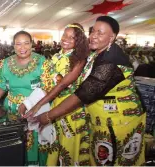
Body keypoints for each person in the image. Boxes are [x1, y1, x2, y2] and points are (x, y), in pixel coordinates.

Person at [34, 16, 146, 166]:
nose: (93, 36)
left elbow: (84, 93)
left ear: (112, 37)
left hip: (119, 122)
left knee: (113, 161)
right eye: (93, 31)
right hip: (99, 120)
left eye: (100, 33)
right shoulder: (97, 53)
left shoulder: (112, 61)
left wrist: (49, 116)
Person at [18, 23, 90, 166]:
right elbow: (47, 84)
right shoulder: (55, 57)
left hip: (70, 109)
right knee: (54, 146)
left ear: (79, 41)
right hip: (55, 106)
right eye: (65, 35)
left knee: (69, 150)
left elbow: (62, 85)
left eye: (72, 37)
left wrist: (37, 105)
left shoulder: (78, 60)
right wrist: (28, 103)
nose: (66, 39)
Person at [0, 30, 54, 165]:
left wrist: (28, 103)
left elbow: (47, 88)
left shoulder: (42, 62)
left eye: (26, 43)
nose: (22, 48)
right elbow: (0, 86)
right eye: (18, 44)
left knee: (32, 147)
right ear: (13, 46)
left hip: (34, 110)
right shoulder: (5, 63)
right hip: (10, 111)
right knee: (13, 148)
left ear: (32, 44)